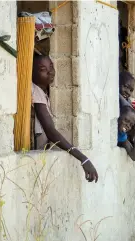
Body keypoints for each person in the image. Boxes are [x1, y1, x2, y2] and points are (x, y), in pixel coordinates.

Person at [31, 55, 98, 183]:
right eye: (43, 69)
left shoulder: (42, 91)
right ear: (32, 72)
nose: (50, 72)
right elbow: (50, 131)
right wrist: (83, 158)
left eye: (51, 66)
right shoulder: (34, 92)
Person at [118, 71, 135, 147]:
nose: (128, 92)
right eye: (125, 87)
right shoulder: (117, 97)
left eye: (131, 90)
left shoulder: (127, 100)